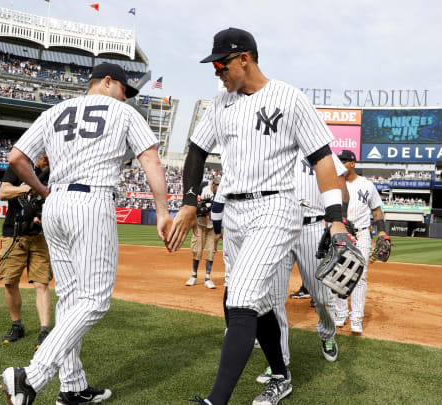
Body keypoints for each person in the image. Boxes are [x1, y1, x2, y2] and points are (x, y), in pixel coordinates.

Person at [168, 28, 350, 405]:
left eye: (221, 65)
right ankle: (281, 376)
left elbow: (322, 160)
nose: (217, 72)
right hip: (234, 212)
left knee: (240, 301)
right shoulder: (221, 102)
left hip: (275, 208)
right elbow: (197, 151)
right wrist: (188, 201)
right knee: (255, 300)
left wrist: (335, 218)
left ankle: (216, 402)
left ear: (244, 58)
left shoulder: (289, 97)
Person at [0, 63, 172, 405]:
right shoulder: (122, 112)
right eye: (125, 89)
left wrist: (42, 190)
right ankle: (31, 376)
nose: (126, 96)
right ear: (107, 82)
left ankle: (73, 386)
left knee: (72, 298)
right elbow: (151, 160)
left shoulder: (55, 111)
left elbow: (17, 158)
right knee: (94, 300)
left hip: (57, 204)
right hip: (91, 202)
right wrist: (163, 211)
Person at [252, 153, 349, 385]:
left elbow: (342, 188)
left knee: (323, 297)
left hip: (313, 227)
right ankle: (279, 362)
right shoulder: (274, 147)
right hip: (278, 228)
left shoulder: (320, 149)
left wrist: (338, 217)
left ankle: (327, 335)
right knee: (274, 301)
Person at [0, 155, 53, 350]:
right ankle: (17, 325)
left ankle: (44, 330)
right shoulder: (18, 167)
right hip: (14, 233)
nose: (48, 161)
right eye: (45, 157)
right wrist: (29, 187)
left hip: (40, 236)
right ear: (37, 154)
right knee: (10, 281)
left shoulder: (54, 173)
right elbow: (3, 192)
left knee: (42, 283)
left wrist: (45, 218)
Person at [333, 150, 389, 334]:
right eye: (339, 161)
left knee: (360, 275)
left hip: (362, 234)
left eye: (344, 161)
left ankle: (356, 318)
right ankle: (340, 314)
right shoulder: (334, 184)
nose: (340, 164)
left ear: (353, 163)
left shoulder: (367, 184)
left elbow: (377, 210)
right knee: (339, 274)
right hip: (341, 234)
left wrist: (381, 231)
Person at [186, 176, 220, 289]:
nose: (219, 190)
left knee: (211, 251)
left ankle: (207, 278)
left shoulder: (221, 192)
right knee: (197, 249)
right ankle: (194, 276)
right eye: (218, 187)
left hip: (212, 226)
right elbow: (192, 197)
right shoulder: (203, 186)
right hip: (200, 224)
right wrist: (198, 201)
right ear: (214, 185)